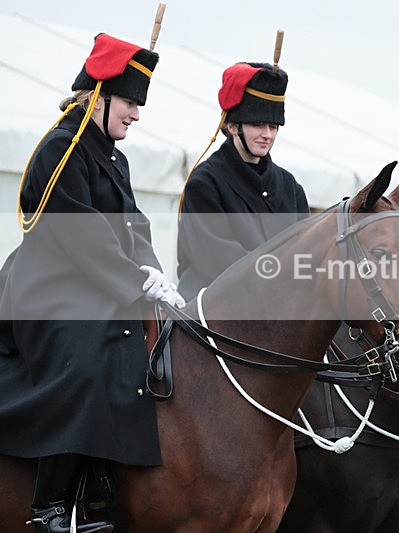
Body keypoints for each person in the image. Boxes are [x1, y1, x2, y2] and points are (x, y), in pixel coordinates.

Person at [0, 33, 184, 532]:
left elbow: (135, 225)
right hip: (49, 289)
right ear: (98, 97)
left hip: (98, 285)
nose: (136, 115)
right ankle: (50, 507)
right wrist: (133, 281)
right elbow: (80, 236)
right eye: (129, 102)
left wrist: (153, 273)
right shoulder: (61, 148)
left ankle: (101, 490)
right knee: (86, 360)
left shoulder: (114, 157)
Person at [177, 61, 309, 301]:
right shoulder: (205, 183)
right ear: (232, 125)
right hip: (213, 313)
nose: (267, 135)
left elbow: (305, 254)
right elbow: (217, 260)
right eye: (257, 124)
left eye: (273, 126)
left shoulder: (290, 187)